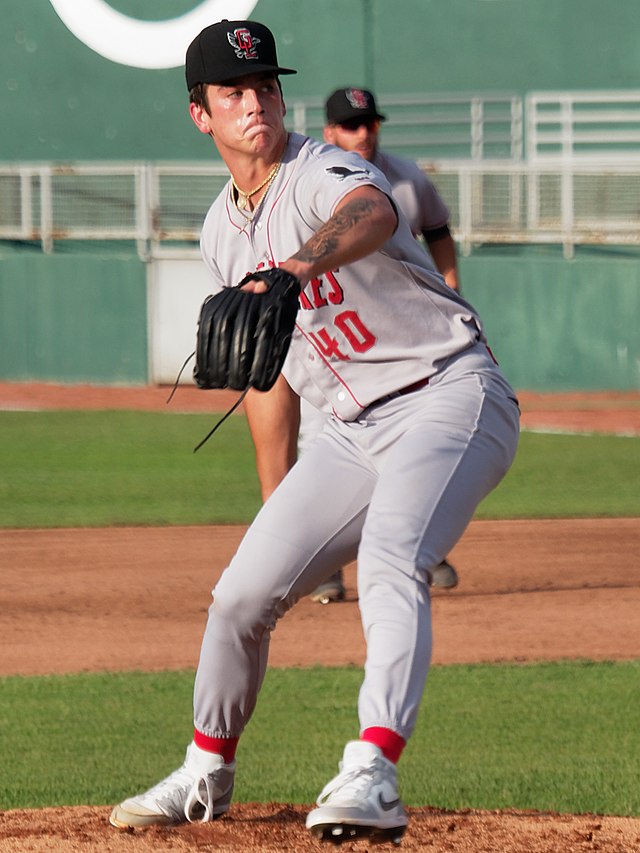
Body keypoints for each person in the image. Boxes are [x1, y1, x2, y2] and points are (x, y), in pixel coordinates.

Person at [109, 19, 520, 844]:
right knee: (239, 597)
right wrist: (280, 495)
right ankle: (205, 768)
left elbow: (368, 208)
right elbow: (273, 376)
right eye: (234, 92)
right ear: (202, 115)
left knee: (392, 556)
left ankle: (372, 768)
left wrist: (297, 266)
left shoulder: (322, 168)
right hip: (348, 433)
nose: (255, 102)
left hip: (445, 391)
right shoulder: (219, 235)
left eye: (265, 86)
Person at [308, 86, 462, 604]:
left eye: (370, 123)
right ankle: (325, 569)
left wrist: (451, 283)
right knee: (323, 452)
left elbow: (438, 229)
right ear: (330, 132)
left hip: (402, 339)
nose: (364, 133)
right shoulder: (314, 178)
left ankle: (423, 545)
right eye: (352, 125)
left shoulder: (407, 178)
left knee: (413, 443)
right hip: (335, 342)